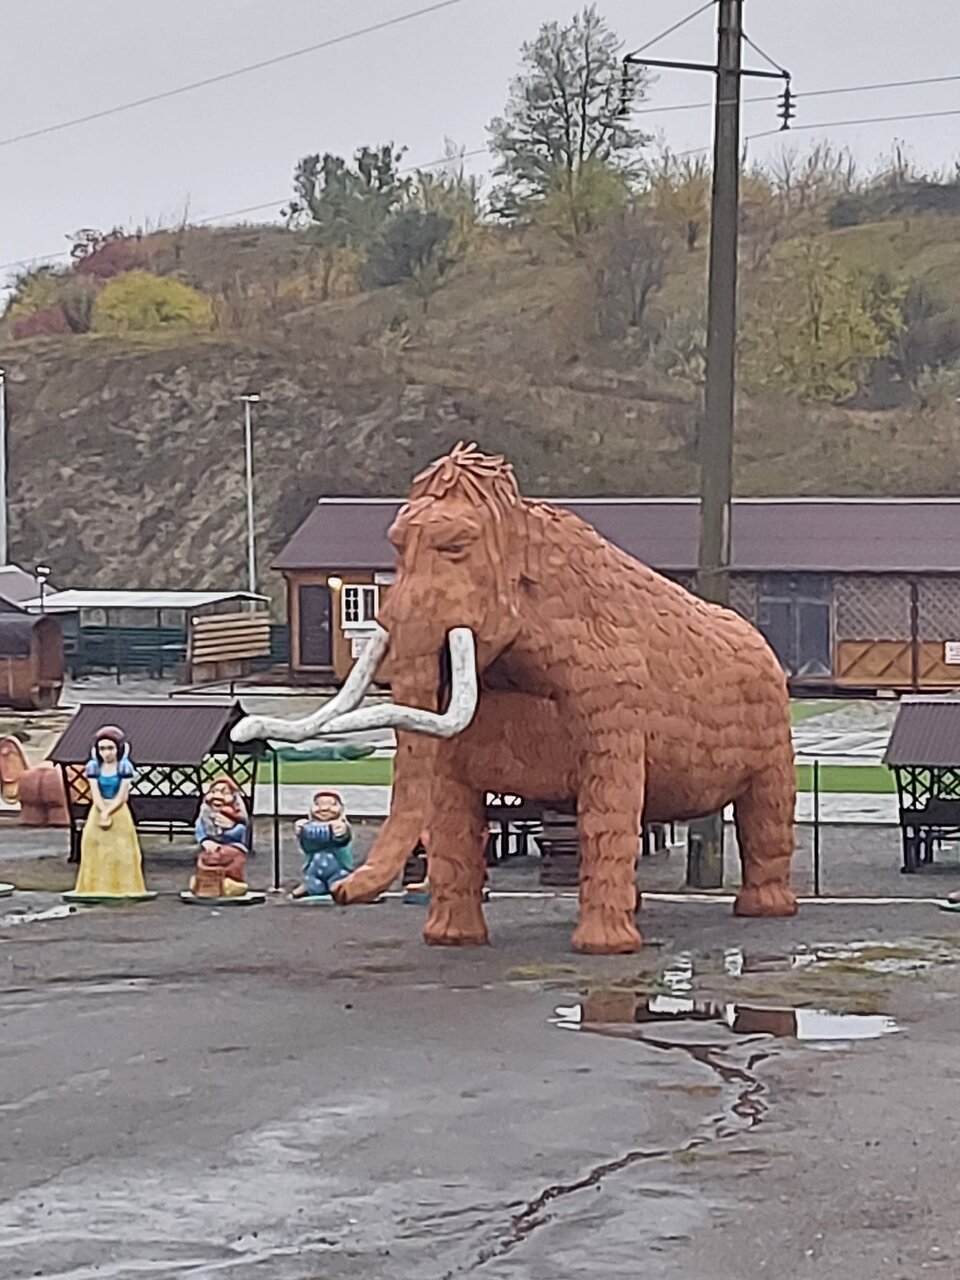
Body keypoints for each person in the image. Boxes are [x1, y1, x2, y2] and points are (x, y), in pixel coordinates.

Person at [73, 726, 148, 897]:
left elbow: (122, 796)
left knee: (120, 851)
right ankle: (93, 886)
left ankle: (123, 886)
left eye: (110, 748)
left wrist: (109, 812)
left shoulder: (123, 767)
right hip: (98, 811)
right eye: (102, 749)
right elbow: (95, 793)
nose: (106, 753)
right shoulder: (94, 767)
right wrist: (102, 810)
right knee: (94, 847)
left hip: (118, 811)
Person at [190, 776, 250, 898]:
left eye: (224, 793)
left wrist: (229, 828)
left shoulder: (235, 815)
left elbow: (241, 831)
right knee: (205, 858)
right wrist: (204, 840)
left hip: (232, 847)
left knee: (225, 856)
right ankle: (204, 883)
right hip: (211, 846)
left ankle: (229, 883)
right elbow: (199, 828)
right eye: (213, 792)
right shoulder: (206, 814)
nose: (217, 796)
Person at [293, 790, 354, 898]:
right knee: (314, 883)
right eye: (318, 804)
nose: (324, 808)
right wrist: (300, 832)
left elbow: (344, 840)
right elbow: (307, 847)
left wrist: (342, 833)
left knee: (338, 883)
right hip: (314, 867)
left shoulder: (341, 825)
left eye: (332, 804)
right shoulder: (309, 826)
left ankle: (341, 887)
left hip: (337, 867)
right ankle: (310, 885)